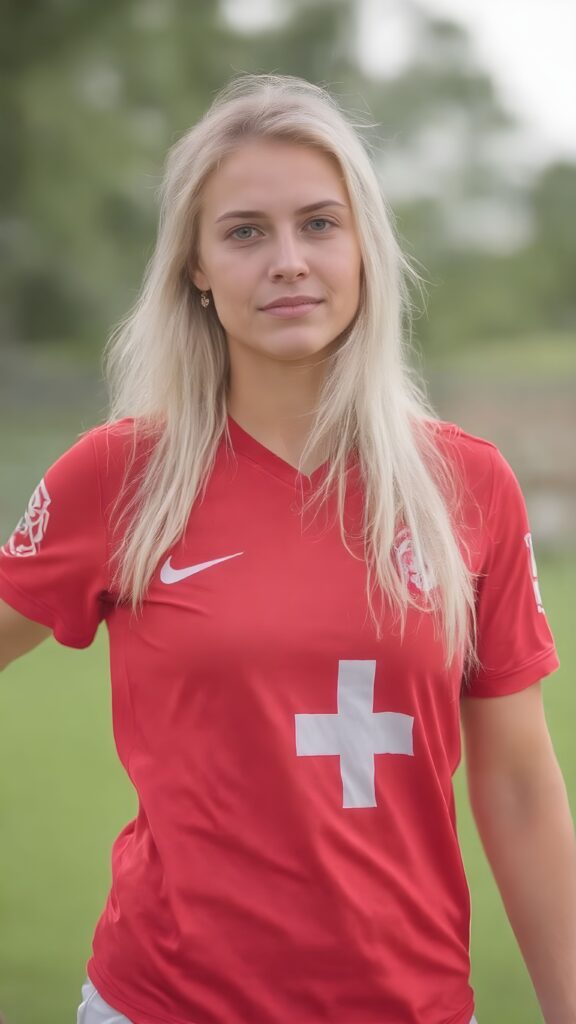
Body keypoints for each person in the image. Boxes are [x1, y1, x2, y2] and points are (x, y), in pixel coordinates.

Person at [0, 73, 574, 1024]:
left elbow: (515, 783)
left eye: (319, 223)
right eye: (244, 232)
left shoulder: (468, 487)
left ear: (364, 249)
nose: (289, 261)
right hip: (163, 1004)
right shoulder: (117, 477)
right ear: (195, 266)